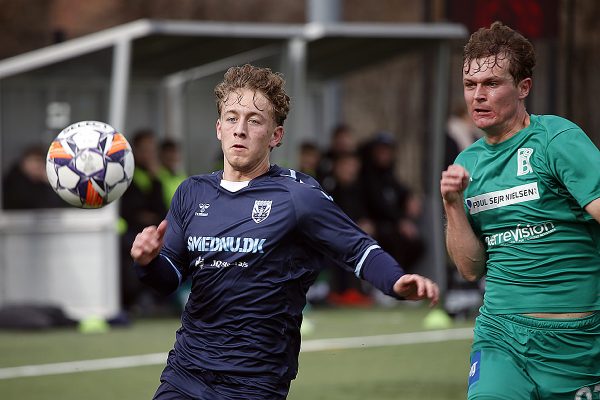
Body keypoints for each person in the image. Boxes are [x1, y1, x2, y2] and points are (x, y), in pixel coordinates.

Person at [131, 64, 439, 400]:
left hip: (253, 382)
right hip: (185, 372)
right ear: (219, 128)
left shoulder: (299, 196)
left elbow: (358, 249)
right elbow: (168, 278)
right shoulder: (191, 193)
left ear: (276, 135)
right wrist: (148, 261)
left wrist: (396, 281)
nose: (240, 130)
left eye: (254, 120)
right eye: (232, 118)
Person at [440, 22, 600, 400]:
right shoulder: (467, 163)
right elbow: (469, 269)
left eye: (492, 83)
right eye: (470, 85)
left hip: (577, 343)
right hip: (501, 336)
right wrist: (453, 205)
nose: (478, 96)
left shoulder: (556, 139)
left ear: (523, 87)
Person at [360, 132, 426, 272]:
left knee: (417, 245)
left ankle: (400, 277)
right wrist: (400, 221)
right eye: (381, 151)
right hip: (376, 225)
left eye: (387, 151)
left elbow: (400, 190)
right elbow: (378, 203)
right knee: (394, 241)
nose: (384, 155)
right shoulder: (367, 175)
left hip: (393, 225)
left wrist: (410, 197)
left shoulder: (388, 174)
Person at [119, 130, 168, 314]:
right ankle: (136, 299)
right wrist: (148, 215)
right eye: (145, 149)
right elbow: (132, 210)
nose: (149, 154)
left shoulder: (156, 176)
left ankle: (160, 298)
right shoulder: (127, 174)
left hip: (155, 229)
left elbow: (161, 208)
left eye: (152, 150)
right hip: (129, 230)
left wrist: (156, 180)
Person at [2, 144, 66, 209]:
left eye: (41, 161)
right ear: (24, 162)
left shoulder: (42, 183)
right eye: (35, 160)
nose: (38, 165)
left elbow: (54, 205)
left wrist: (50, 182)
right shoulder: (13, 181)